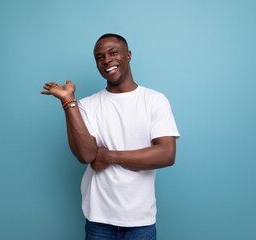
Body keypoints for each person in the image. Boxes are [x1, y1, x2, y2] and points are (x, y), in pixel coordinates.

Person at [41, 33, 180, 240]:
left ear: (128, 55)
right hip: (99, 220)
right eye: (99, 57)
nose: (106, 60)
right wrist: (68, 101)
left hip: (140, 221)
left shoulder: (154, 100)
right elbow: (86, 155)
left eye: (113, 52)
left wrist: (109, 156)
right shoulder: (87, 105)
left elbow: (166, 154)